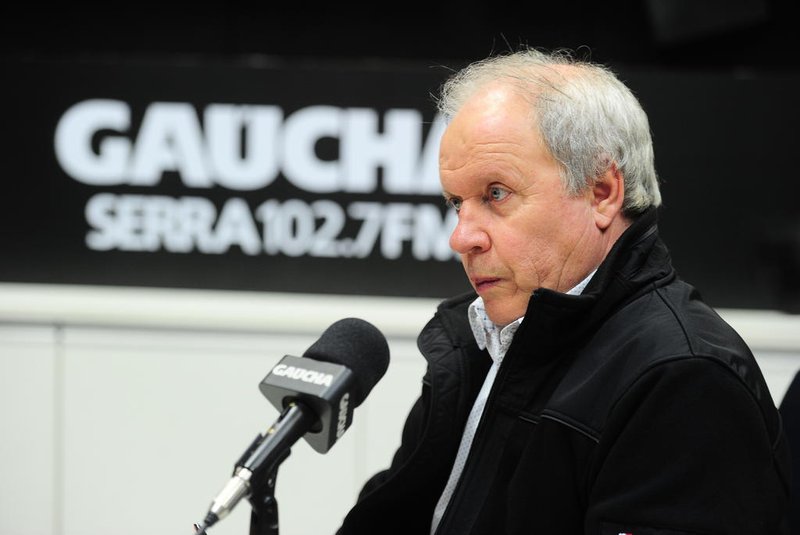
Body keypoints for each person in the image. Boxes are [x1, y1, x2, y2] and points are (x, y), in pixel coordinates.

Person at [336, 47, 790, 534]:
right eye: (456, 203)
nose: (461, 237)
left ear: (602, 192)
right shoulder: (480, 340)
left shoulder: (685, 378)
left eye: (496, 194)